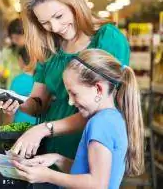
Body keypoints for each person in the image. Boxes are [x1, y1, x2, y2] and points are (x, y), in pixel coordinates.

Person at [0, 0, 130, 188]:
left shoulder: (107, 38)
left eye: (58, 16)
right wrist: (19, 102)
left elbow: (102, 105)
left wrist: (42, 129)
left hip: (88, 152)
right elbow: (39, 103)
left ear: (73, 3)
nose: (55, 28)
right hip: (51, 156)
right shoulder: (50, 46)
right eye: (45, 23)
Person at [12, 49, 144, 189]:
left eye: (74, 94)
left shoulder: (100, 124)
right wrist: (57, 159)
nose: (70, 102)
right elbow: (87, 173)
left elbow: (97, 184)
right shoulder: (113, 118)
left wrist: (47, 175)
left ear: (98, 89)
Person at [8, 47, 37, 125]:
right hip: (38, 126)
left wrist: (9, 127)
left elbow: (10, 109)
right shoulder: (41, 80)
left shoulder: (17, 80)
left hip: (20, 126)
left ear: (20, 60)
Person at [0, 18, 26, 88]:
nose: (14, 41)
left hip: (28, 93)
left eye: (17, 38)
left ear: (26, 35)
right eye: (12, 38)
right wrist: (1, 75)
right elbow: (2, 80)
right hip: (11, 92)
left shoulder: (34, 52)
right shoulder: (7, 52)